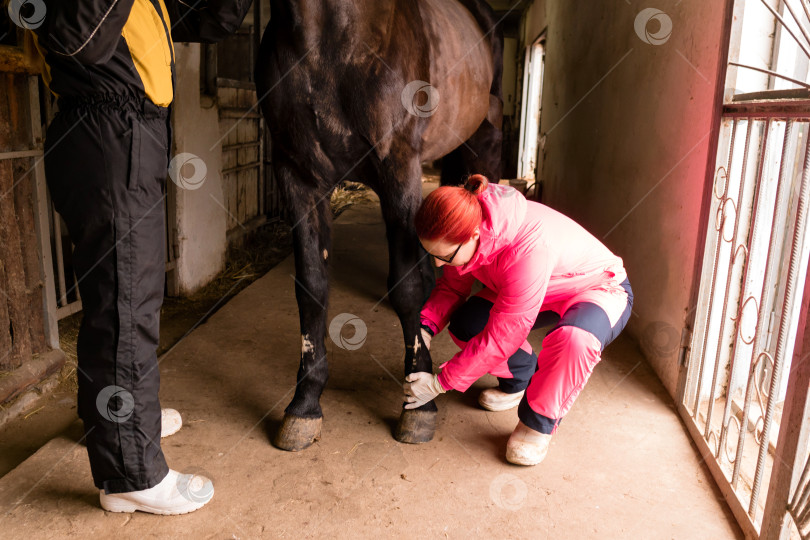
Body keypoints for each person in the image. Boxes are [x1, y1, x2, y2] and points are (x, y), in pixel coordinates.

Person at [26, 0, 250, 514]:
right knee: (127, 306)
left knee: (118, 296)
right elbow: (77, 36)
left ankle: (116, 422)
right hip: (108, 132)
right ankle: (131, 472)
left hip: (128, 131)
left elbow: (212, 21)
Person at [403, 174, 633, 466]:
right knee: (468, 324)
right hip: (537, 288)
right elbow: (451, 287)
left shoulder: (527, 249)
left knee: (574, 340)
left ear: (474, 236)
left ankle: (537, 425)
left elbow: (503, 336)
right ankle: (521, 377)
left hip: (596, 288)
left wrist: (441, 382)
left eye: (445, 256)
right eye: (432, 254)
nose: (437, 264)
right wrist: (426, 325)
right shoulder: (464, 223)